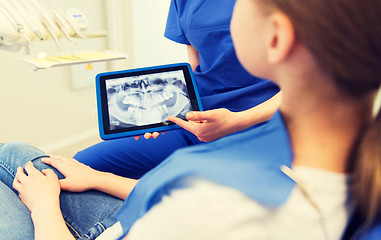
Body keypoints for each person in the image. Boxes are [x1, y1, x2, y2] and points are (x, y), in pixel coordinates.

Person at [0, 0, 380, 239]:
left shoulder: (211, 200)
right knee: (44, 161)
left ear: (277, 37)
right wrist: (100, 179)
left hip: (122, 225)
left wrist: (43, 207)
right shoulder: (350, 165)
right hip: (169, 176)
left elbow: (192, 208)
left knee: (14, 162)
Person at [72, 0, 281, 179]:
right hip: (198, 122)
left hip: (264, 126)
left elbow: (311, 86)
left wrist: (240, 120)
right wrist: (159, 113)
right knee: (78, 166)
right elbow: (194, 66)